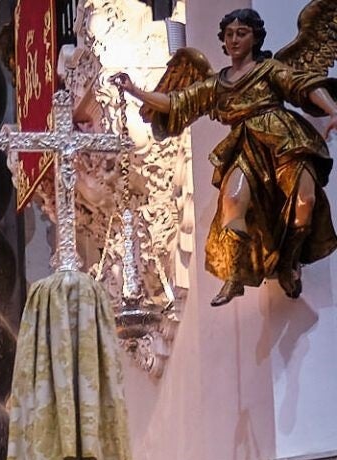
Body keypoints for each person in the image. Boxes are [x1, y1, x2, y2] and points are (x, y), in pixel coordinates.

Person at [113, 7, 337, 306]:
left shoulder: (269, 69)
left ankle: (290, 260)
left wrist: (333, 110)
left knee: (305, 202)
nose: (234, 40)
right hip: (244, 146)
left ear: (254, 38)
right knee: (232, 206)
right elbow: (176, 101)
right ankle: (235, 273)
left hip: (285, 140)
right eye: (229, 34)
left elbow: (303, 84)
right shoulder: (217, 85)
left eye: (241, 33)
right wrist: (134, 91)